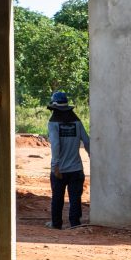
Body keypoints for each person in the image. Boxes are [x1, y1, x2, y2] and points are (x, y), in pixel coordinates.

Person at [46, 91, 90, 229]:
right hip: (76, 169)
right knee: (75, 199)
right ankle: (75, 224)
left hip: (60, 170)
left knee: (57, 198)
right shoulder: (77, 122)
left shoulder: (53, 124)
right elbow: (87, 141)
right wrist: (92, 156)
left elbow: (56, 145)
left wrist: (55, 165)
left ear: (54, 107)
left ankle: (56, 224)